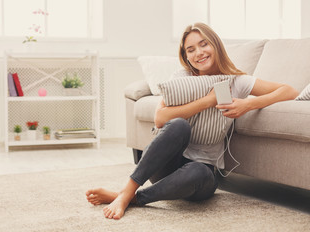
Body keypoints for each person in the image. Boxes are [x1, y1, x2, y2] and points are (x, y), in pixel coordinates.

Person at [85, 23, 299, 220]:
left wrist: (247, 104)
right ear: (186, 57)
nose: (199, 53)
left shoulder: (237, 81)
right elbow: (160, 119)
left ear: (215, 45)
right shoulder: (182, 78)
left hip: (201, 178)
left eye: (204, 44)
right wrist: (208, 100)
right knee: (178, 125)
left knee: (198, 170)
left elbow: (289, 90)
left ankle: (131, 197)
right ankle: (127, 191)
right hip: (167, 167)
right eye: (191, 49)